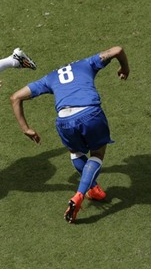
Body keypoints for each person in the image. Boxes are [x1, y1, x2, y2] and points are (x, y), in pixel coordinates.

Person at [10, 46, 130, 223]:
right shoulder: (86, 63)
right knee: (97, 154)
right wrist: (124, 68)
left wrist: (25, 128)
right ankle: (80, 194)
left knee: (75, 153)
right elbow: (118, 49)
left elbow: (15, 97)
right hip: (90, 113)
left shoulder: (50, 78)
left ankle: (93, 188)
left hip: (65, 121)